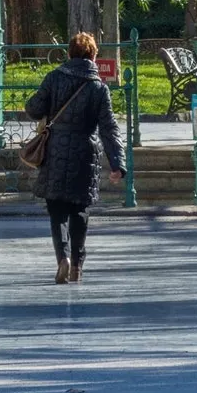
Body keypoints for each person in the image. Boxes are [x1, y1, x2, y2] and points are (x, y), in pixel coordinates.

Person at [25, 30, 124, 283]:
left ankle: (63, 258)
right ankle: (78, 265)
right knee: (80, 210)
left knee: (56, 209)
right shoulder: (98, 88)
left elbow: (34, 109)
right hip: (85, 153)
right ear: (93, 56)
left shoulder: (54, 78)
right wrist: (117, 163)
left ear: (69, 53)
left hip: (56, 150)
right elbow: (109, 128)